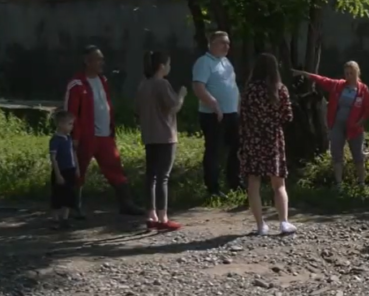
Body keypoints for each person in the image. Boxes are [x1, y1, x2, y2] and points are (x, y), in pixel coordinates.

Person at [64, 45, 145, 217]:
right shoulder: (76, 84)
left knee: (115, 167)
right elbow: (71, 113)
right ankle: (72, 207)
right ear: (87, 61)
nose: (102, 62)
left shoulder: (103, 81)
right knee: (78, 170)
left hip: (105, 136)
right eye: (98, 59)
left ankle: (126, 203)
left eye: (102, 59)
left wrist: (111, 129)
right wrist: (74, 136)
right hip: (86, 136)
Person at [239, 54, 297, 236]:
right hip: (274, 138)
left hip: (253, 138)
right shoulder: (280, 89)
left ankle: (260, 225)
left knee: (253, 182)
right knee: (278, 183)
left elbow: (243, 115)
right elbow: (288, 116)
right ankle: (284, 222)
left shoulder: (250, 90)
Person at [295, 62, 369, 187]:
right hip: (337, 124)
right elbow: (322, 80)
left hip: (355, 127)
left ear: (357, 73)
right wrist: (304, 74)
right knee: (337, 153)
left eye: (351, 73)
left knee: (358, 155)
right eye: (346, 73)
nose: (348, 76)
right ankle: (338, 183)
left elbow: (368, 109)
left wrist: (360, 123)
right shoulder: (338, 85)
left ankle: (361, 182)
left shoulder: (363, 90)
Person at [136, 50, 188, 231]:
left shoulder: (143, 85)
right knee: (163, 177)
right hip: (165, 136)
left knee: (151, 176)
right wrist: (181, 94)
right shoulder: (162, 84)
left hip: (149, 135)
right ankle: (163, 216)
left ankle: (151, 215)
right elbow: (173, 107)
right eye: (168, 64)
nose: (169, 67)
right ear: (161, 66)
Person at [192, 31, 241, 199]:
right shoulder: (204, 62)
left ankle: (234, 182)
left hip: (231, 113)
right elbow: (199, 87)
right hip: (213, 115)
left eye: (227, 43)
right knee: (214, 150)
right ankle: (213, 188)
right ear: (211, 44)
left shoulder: (226, 62)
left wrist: (238, 107)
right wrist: (214, 105)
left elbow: (232, 86)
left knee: (236, 147)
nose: (226, 46)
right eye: (222, 43)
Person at [48, 110, 79, 230]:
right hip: (60, 171)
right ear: (61, 124)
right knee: (57, 196)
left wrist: (77, 168)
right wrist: (58, 174)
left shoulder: (69, 138)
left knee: (69, 195)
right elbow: (53, 158)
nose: (72, 126)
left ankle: (65, 219)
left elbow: (73, 153)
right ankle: (55, 219)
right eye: (70, 124)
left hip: (70, 169)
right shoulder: (55, 140)